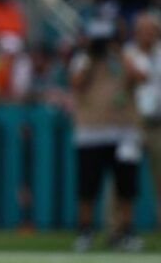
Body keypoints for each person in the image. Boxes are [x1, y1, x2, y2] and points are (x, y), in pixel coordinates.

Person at [69, 20, 143, 252]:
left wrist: (118, 54)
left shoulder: (124, 57)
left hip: (122, 131)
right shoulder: (83, 60)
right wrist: (91, 59)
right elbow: (76, 84)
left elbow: (140, 77)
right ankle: (85, 231)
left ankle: (126, 231)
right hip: (91, 132)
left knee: (126, 186)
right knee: (88, 187)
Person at [123, 13, 161, 226]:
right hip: (133, 122)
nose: (147, 34)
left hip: (159, 122)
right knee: (124, 175)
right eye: (142, 30)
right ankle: (118, 227)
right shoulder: (126, 53)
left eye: (151, 29)